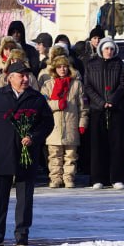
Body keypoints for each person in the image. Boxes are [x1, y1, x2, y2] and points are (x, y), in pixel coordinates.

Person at [0, 61, 53, 246]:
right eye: (20, 75)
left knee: (24, 196)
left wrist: (33, 136)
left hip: (26, 154)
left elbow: (47, 124)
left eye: (26, 75)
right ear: (10, 78)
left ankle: (22, 234)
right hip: (2, 152)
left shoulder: (36, 98)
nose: (25, 79)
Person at [83, 38, 124, 189]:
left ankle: (116, 177)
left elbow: (123, 85)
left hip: (115, 109)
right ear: (101, 49)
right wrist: (101, 102)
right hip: (97, 110)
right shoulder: (91, 64)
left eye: (111, 49)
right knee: (97, 145)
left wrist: (112, 100)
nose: (109, 51)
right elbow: (88, 87)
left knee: (116, 145)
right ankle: (97, 178)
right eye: (106, 49)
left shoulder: (119, 64)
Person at [40, 52, 86, 189]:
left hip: (71, 125)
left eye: (65, 66)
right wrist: (56, 104)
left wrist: (82, 123)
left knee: (71, 156)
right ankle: (55, 178)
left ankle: (69, 178)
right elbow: (43, 104)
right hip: (53, 127)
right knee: (54, 156)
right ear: (54, 69)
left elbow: (83, 107)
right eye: (59, 67)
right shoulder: (48, 85)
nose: (62, 69)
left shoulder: (77, 84)